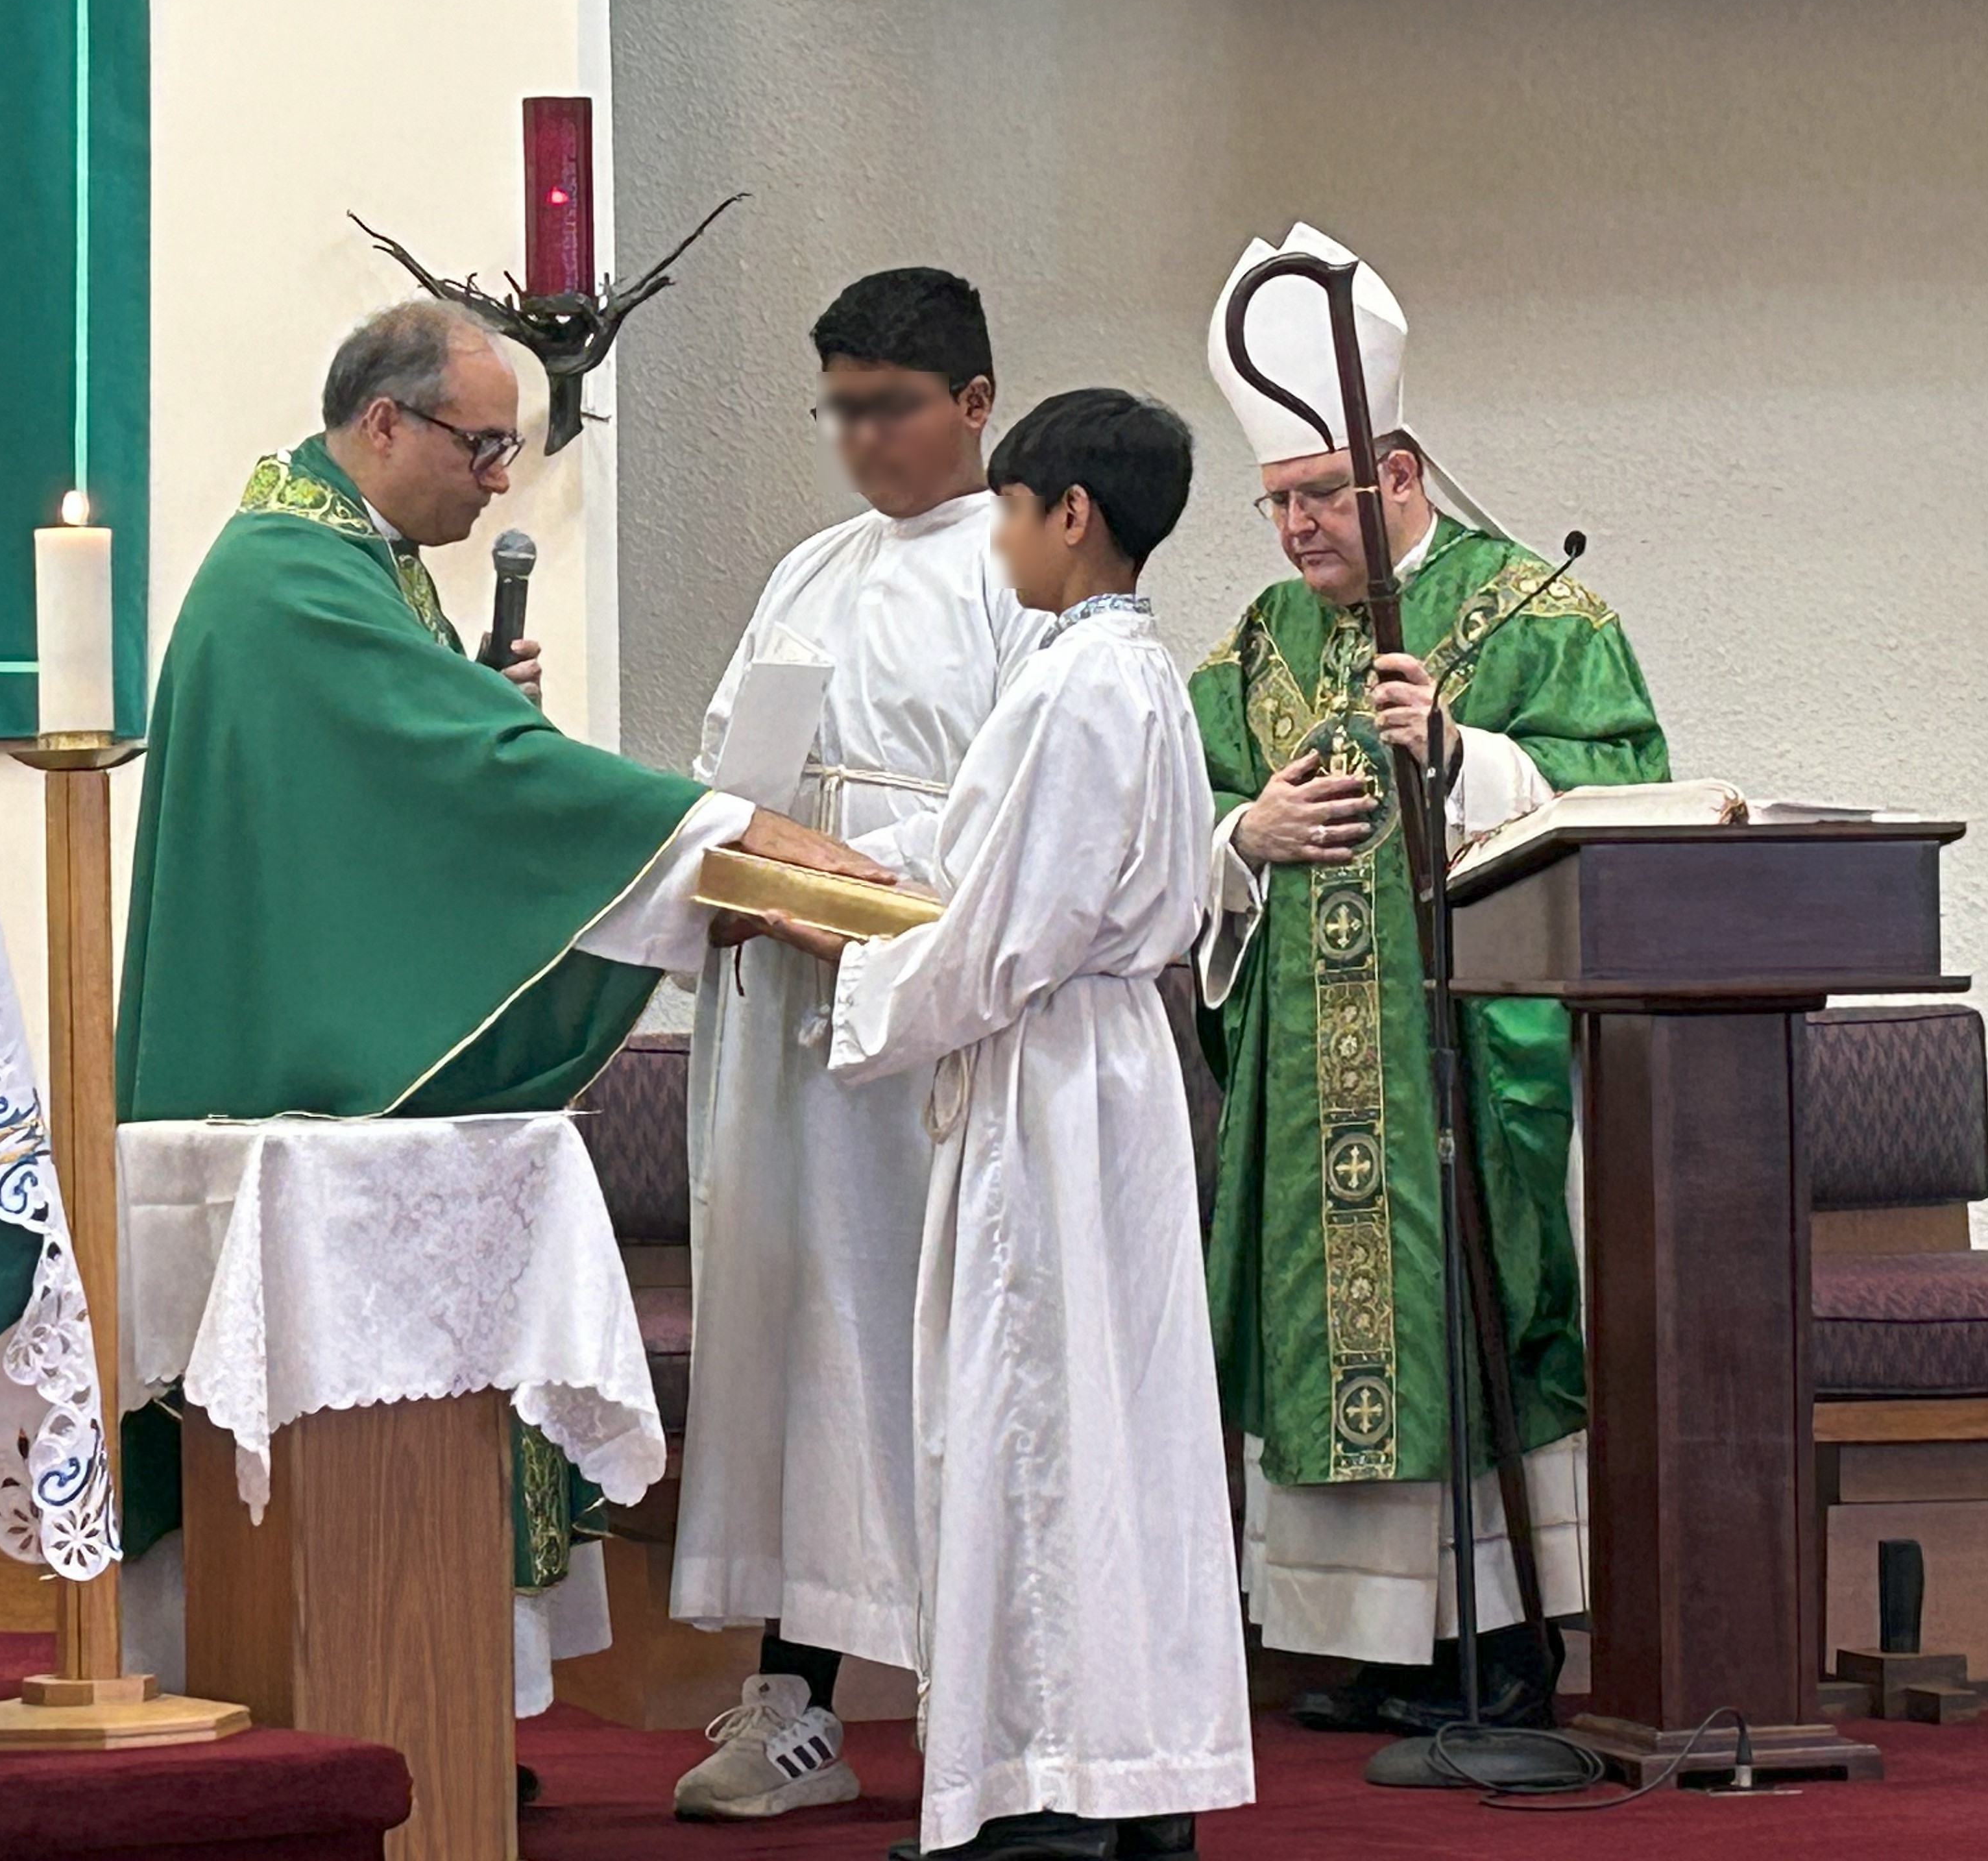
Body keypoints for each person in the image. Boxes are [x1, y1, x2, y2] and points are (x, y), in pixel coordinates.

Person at [114, 298, 885, 1701]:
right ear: (384, 422)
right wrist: (713, 837)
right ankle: (339, 1689)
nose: (501, 482)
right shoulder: (287, 576)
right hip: (290, 1080)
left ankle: (425, 1702)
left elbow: (382, 804)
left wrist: (462, 705)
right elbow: (473, 791)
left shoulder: (344, 557)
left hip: (319, 1072)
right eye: (482, 448)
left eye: (512, 452)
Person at [757, 389, 1252, 1861]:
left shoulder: (1075, 687)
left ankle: (1046, 1789)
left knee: (1032, 1421)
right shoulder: (1121, 671)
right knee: (1106, 1428)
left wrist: (850, 963)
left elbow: (1002, 938)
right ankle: (1126, 1769)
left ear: (1069, 516)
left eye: (1009, 512)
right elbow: (983, 853)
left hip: (1048, 1084)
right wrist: (844, 868)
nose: (995, 542)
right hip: (1100, 1082)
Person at [1190, 224, 1668, 1733]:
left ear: (1397, 472)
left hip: (1463, 1045)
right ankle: (1375, 1638)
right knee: (1321, 1320)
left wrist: (1468, 757)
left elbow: (1630, 798)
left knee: (1474, 1301)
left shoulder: (1536, 614)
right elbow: (1165, 808)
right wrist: (1244, 833)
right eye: (1273, 504)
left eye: (1315, 498)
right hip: (1303, 1059)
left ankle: (1506, 1638)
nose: (1292, 536)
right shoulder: (1262, 641)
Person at [670, 269, 1047, 1821]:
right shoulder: (807, 569)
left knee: (919, 1340)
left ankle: (982, 1700)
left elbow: (1030, 814)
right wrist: (734, 869)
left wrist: (859, 893)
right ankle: (793, 1701)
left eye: (886, 406)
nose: (859, 439)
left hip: (916, 1031)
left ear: (973, 403)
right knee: (782, 1341)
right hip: (779, 1033)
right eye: (838, 407)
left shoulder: (1021, 573)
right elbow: (722, 767)